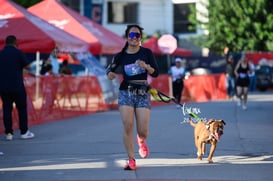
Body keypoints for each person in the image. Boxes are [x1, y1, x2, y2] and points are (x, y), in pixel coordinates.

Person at [106, 24, 159, 170]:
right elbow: (110, 72)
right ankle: (131, 159)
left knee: (143, 130)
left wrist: (146, 66)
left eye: (137, 35)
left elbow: (155, 73)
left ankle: (141, 140)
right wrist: (110, 74)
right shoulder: (120, 55)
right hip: (126, 92)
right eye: (131, 35)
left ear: (140, 38)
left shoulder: (146, 53)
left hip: (142, 93)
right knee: (128, 125)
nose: (134, 38)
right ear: (127, 37)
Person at [0, 35, 35, 140]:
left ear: (6, 43)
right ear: (15, 42)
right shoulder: (18, 53)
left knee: (7, 109)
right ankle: (24, 132)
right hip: (17, 86)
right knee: (22, 109)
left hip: (3, 87)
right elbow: (28, 66)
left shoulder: (1, 54)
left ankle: (9, 134)